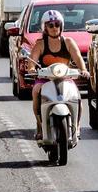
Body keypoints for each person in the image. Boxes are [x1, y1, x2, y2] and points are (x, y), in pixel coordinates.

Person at [30, 10, 89, 141]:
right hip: (44, 79)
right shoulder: (40, 44)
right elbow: (31, 62)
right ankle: (40, 125)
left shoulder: (68, 42)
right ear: (44, 27)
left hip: (65, 78)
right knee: (35, 91)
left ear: (61, 26)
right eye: (50, 25)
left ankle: (77, 126)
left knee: (77, 96)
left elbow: (78, 58)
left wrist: (83, 70)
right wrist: (32, 69)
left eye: (57, 24)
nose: (54, 28)